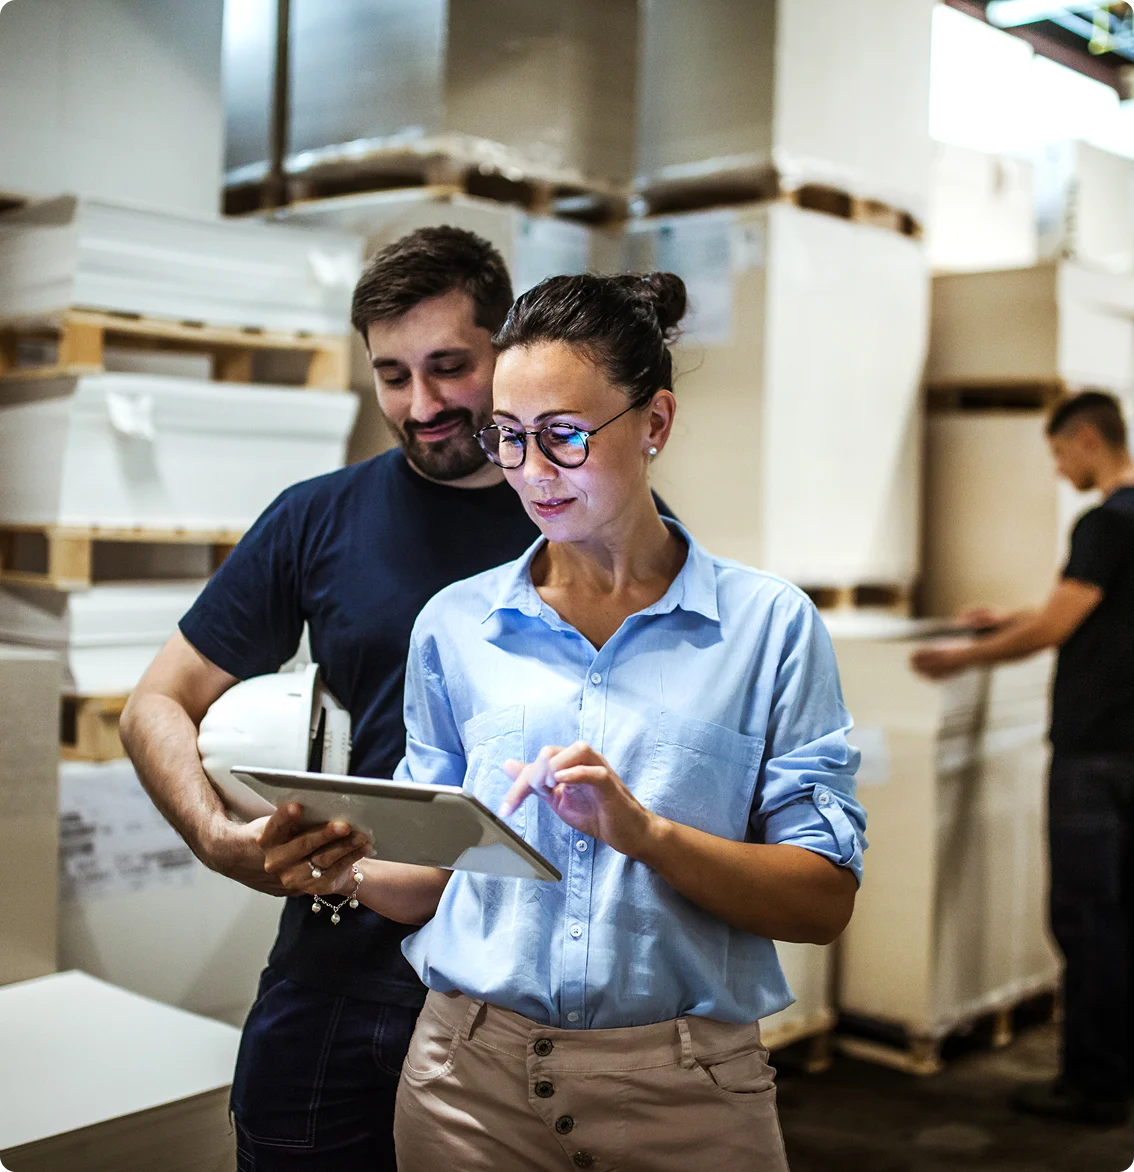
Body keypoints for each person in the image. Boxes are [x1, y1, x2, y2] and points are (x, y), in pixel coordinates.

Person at [260, 271, 867, 1171]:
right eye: (508, 439)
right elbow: (441, 877)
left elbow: (822, 900)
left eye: (565, 437)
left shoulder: (767, 628)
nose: (532, 474)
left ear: (654, 424)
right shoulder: (455, 627)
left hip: (686, 1098)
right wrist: (337, 864)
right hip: (466, 1086)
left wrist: (646, 832)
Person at [119, 227, 549, 1168]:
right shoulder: (320, 516)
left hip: (526, 981)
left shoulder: (582, 518)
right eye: (392, 376)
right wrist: (218, 839)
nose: (422, 405)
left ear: (506, 350)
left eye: (449, 367)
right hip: (341, 967)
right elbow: (156, 702)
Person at [912, 389, 1134, 1126]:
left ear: (1087, 442)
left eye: (1059, 452)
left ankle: (1092, 1085)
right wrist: (1012, 616)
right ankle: (1114, 1072)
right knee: (1119, 915)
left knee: (1086, 917)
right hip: (1125, 749)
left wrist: (959, 658)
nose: (1059, 466)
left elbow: (1056, 629)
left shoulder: (1106, 522)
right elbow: (1089, 613)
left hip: (1094, 754)